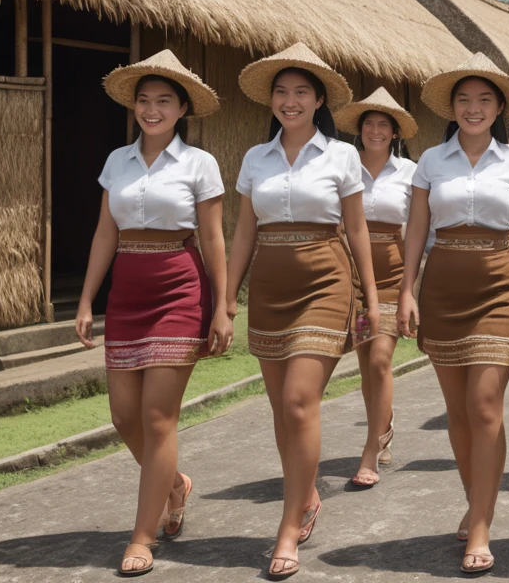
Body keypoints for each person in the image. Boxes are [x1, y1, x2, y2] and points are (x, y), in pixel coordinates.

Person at [224, 44, 381, 581]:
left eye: (301, 93)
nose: (290, 101)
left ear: (319, 102)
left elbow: (357, 228)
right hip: (269, 286)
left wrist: (373, 297)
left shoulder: (341, 156)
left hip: (326, 281)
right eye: (281, 92)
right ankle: (308, 495)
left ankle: (289, 526)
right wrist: (228, 298)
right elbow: (244, 231)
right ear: (271, 101)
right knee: (279, 408)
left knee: (298, 401)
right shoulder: (254, 158)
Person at [76, 51, 231, 577]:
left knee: (158, 417)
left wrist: (223, 307)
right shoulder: (116, 161)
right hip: (126, 295)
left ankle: (143, 536)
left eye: (164, 101)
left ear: (182, 108)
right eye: (144, 100)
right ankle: (176, 484)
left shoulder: (199, 164)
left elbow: (213, 239)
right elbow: (105, 233)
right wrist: (86, 299)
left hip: (180, 293)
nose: (151, 109)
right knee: (123, 416)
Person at [396, 53, 509, 575]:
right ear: (451, 108)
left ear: (499, 107)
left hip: (501, 285)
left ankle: (480, 523)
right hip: (443, 288)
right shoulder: (431, 161)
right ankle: (477, 499)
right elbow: (415, 232)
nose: (473, 108)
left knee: (483, 406)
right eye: (464, 100)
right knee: (457, 413)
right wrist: (407, 291)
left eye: (483, 100)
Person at [334, 87, 419, 488]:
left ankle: (372, 447)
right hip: (346, 277)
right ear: (359, 129)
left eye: (384, 123)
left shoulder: (411, 173)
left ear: (396, 131)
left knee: (381, 359)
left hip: (392, 277)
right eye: (369, 122)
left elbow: (417, 231)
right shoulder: (343, 166)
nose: (376, 129)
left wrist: (411, 287)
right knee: (367, 363)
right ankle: (383, 426)